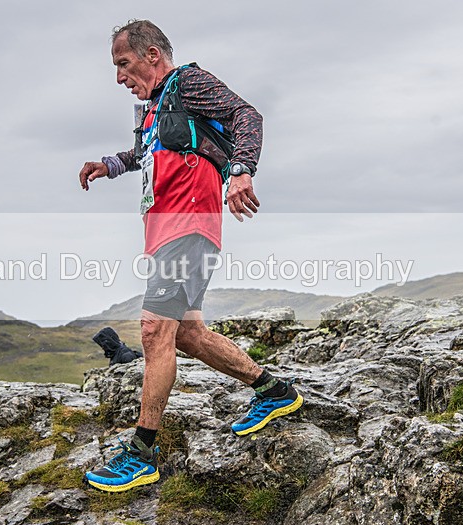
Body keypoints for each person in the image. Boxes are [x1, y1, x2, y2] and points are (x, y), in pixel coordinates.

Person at [78, 19, 303, 493]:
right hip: (165, 229)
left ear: (153, 55)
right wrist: (109, 165)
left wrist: (241, 171)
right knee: (187, 333)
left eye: (123, 63)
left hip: (190, 222)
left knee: (154, 328)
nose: (119, 77)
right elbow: (146, 153)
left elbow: (248, 116)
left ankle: (142, 452)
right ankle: (273, 391)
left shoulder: (189, 83)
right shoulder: (155, 108)